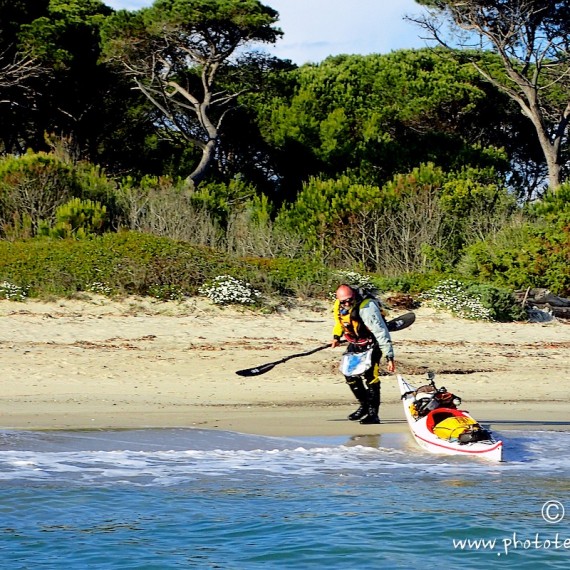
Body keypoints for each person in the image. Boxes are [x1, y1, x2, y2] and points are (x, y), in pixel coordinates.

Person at [331, 284, 396, 424]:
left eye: (349, 300)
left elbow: (380, 332)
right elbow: (339, 322)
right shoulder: (339, 305)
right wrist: (336, 337)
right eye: (343, 301)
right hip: (356, 343)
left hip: (373, 343)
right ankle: (364, 406)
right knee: (349, 374)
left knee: (370, 376)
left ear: (354, 295)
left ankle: (373, 414)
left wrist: (389, 356)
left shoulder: (367, 308)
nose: (347, 303)